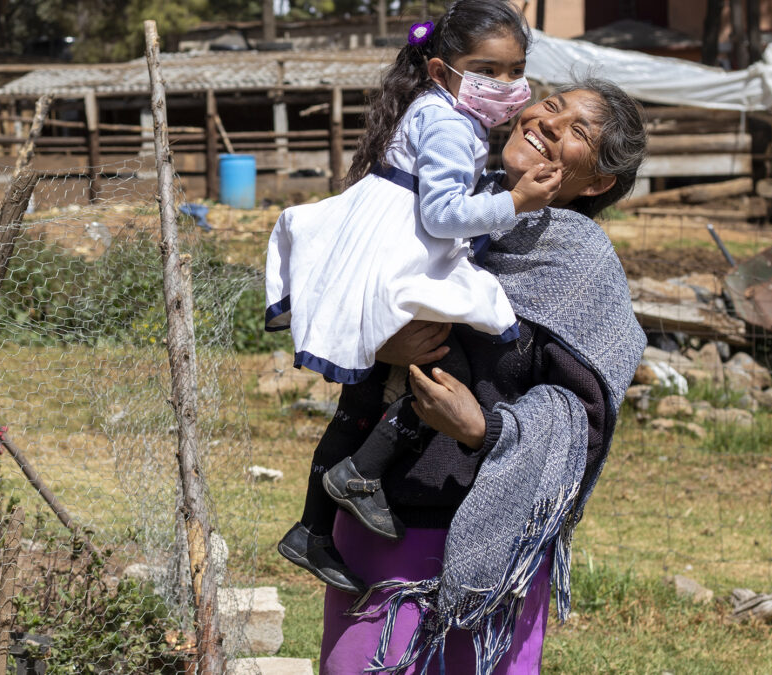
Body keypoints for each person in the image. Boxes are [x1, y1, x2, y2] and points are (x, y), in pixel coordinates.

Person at [318, 79, 649, 674]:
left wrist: (485, 429)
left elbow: (584, 418)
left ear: (598, 182)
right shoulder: (436, 206)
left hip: (488, 540)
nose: (549, 123)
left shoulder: (581, 267)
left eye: (577, 131)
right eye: (551, 106)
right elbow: (339, 300)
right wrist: (377, 339)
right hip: (375, 516)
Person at [268, 0, 562, 595]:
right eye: (488, 69)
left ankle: (312, 529)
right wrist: (516, 202)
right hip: (402, 256)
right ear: (439, 70)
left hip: (383, 245)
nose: (507, 85)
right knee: (446, 359)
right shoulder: (454, 124)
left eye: (515, 70)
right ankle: (359, 476)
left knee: (365, 394)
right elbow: (445, 212)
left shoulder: (431, 109)